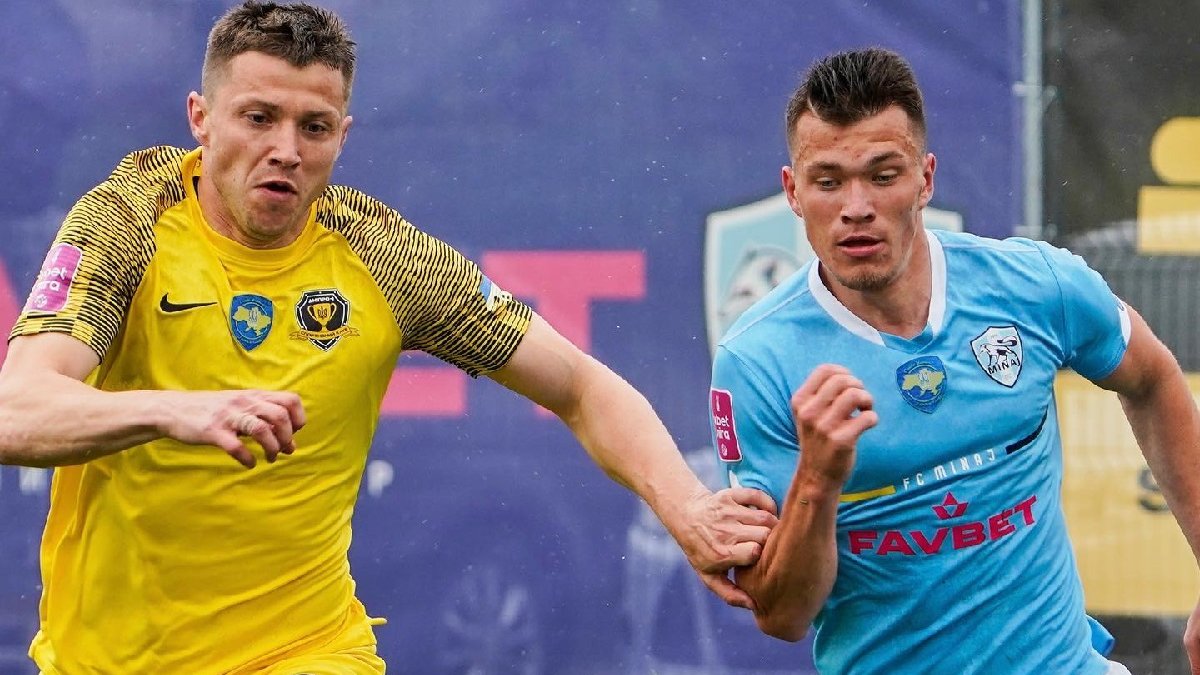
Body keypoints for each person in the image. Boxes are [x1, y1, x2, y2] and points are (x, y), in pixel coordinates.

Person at [0, 2, 778, 672]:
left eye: (313, 127)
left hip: (310, 649)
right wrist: (173, 410)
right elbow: (17, 410)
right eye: (258, 117)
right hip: (107, 656)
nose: (286, 149)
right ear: (201, 118)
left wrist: (689, 509)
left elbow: (579, 384)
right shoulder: (128, 220)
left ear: (342, 135)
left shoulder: (382, 256)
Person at [708, 47, 1200, 674]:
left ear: (926, 179)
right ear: (793, 192)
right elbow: (782, 616)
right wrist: (818, 480)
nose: (855, 206)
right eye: (828, 182)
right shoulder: (757, 361)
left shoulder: (1034, 284)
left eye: (883, 175)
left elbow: (1153, 378)